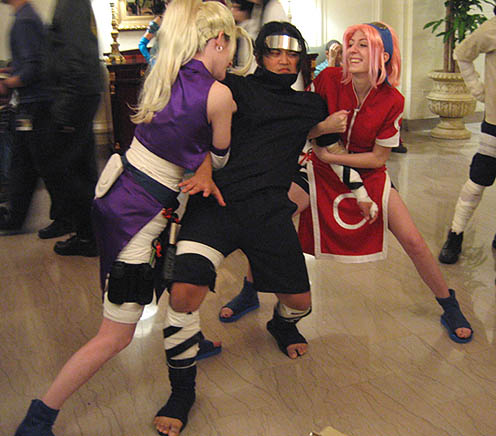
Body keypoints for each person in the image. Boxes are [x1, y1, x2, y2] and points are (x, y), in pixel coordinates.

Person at [14, 1, 250, 435]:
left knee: (171, 274)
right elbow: (219, 158)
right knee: (115, 335)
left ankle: (191, 341)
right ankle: (40, 415)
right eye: (231, 45)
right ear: (219, 40)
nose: (232, 56)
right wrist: (209, 153)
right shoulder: (219, 95)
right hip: (139, 220)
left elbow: (175, 140)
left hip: (118, 196)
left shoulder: (163, 73)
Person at [222, 22, 474, 347]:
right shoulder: (327, 79)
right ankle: (250, 290)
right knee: (271, 217)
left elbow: (378, 158)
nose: (352, 50)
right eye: (350, 43)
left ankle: (448, 303)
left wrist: (333, 157)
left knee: (413, 240)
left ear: (384, 55)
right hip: (318, 167)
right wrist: (323, 138)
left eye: (363, 45)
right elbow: (297, 124)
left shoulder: (393, 100)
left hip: (364, 171)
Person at [152, 20, 348, 436]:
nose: (284, 61)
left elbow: (326, 148)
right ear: (259, 55)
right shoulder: (234, 88)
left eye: (292, 54)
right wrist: (203, 167)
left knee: (300, 303)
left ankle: (280, 324)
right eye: (275, 53)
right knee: (183, 293)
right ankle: (182, 392)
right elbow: (196, 128)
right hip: (216, 205)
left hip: (269, 213)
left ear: (301, 60)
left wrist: (360, 181)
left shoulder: (310, 105)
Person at [439, 5, 496, 264]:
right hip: (495, 124)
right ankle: (456, 233)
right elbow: (462, 53)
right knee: (478, 180)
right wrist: (478, 90)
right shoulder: (493, 28)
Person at [0, 0, 53, 236]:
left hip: (35, 104)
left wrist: (6, 84)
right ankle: (15, 217)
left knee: (35, 163)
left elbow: (33, 69)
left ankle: (68, 218)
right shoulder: (27, 16)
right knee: (26, 163)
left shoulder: (24, 21)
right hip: (34, 103)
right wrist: (10, 73)